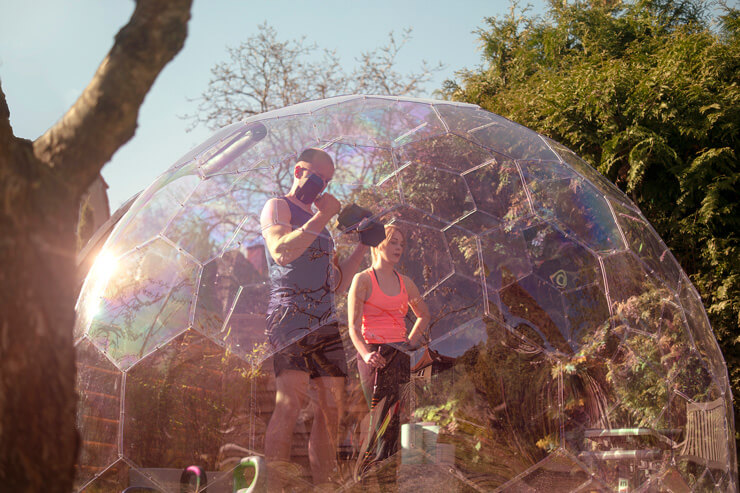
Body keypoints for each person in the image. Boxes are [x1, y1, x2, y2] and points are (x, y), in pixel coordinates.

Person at [260, 148, 368, 486]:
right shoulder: (278, 206)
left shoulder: (324, 229)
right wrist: (322, 216)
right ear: (298, 171)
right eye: (317, 178)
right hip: (289, 311)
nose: (321, 187)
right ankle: (274, 485)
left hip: (323, 319)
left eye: (327, 182)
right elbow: (281, 251)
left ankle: (324, 485)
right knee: (289, 401)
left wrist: (363, 246)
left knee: (331, 408)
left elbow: (337, 283)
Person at [347, 224, 430, 480]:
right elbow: (352, 326)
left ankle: (388, 478)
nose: (398, 248)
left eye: (401, 244)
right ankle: (370, 473)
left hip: (399, 354)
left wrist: (408, 342)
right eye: (393, 242)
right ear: (378, 244)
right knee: (380, 418)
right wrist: (365, 354)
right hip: (375, 356)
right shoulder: (362, 280)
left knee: (397, 419)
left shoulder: (406, 283)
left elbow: (423, 315)